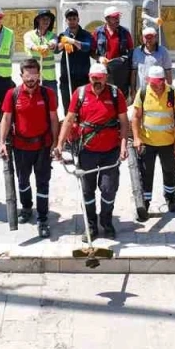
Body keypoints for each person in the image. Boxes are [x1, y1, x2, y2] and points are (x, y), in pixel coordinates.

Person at [56, 62, 131, 238]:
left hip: (110, 151)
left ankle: (106, 221)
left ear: (106, 78)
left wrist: (123, 146)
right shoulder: (80, 93)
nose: (97, 82)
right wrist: (59, 144)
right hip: (87, 151)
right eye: (93, 78)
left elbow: (124, 122)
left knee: (109, 189)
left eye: (100, 78)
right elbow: (68, 120)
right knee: (87, 190)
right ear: (89, 78)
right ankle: (90, 225)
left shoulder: (115, 94)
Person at [0, 59, 60, 237]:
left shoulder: (48, 94)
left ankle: (43, 218)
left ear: (39, 75)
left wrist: (56, 143)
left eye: (34, 75)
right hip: (21, 147)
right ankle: (26, 208)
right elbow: (6, 119)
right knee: (22, 181)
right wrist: (1, 142)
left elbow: (54, 119)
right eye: (27, 75)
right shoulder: (13, 94)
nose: (31, 79)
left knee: (42, 183)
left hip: (43, 146)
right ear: (21, 76)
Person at [131, 65, 175, 216]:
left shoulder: (174, 94)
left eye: (157, 83)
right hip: (147, 142)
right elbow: (136, 117)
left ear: (163, 80)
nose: (154, 86)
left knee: (169, 171)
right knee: (146, 173)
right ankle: (145, 201)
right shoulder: (143, 92)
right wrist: (136, 138)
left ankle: (170, 197)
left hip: (168, 142)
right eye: (151, 83)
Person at [94, 6, 135, 97]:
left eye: (118, 17)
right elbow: (91, 51)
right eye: (114, 17)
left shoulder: (125, 32)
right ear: (107, 19)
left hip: (120, 70)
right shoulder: (98, 32)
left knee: (120, 95)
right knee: (104, 95)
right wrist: (99, 58)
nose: (117, 19)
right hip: (104, 69)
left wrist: (123, 59)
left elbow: (131, 50)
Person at [56, 8, 94, 103]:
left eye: (74, 19)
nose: (72, 21)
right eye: (69, 19)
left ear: (78, 19)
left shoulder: (86, 34)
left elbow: (87, 47)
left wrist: (73, 41)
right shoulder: (63, 35)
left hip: (83, 78)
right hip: (67, 77)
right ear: (66, 21)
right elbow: (56, 50)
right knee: (68, 106)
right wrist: (63, 43)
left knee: (83, 105)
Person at [22, 9, 59, 94]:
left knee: (52, 101)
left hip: (49, 77)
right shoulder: (28, 35)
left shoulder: (53, 35)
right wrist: (38, 48)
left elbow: (53, 43)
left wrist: (48, 46)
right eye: (44, 19)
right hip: (33, 77)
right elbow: (30, 45)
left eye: (48, 19)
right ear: (38, 20)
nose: (46, 21)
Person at [132, 26, 173, 92]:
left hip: (157, 91)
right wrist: (133, 90)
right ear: (143, 38)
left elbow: (168, 71)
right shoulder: (137, 51)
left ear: (156, 37)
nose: (149, 40)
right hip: (141, 91)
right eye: (146, 38)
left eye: (151, 37)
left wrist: (169, 90)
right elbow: (134, 72)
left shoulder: (163, 52)